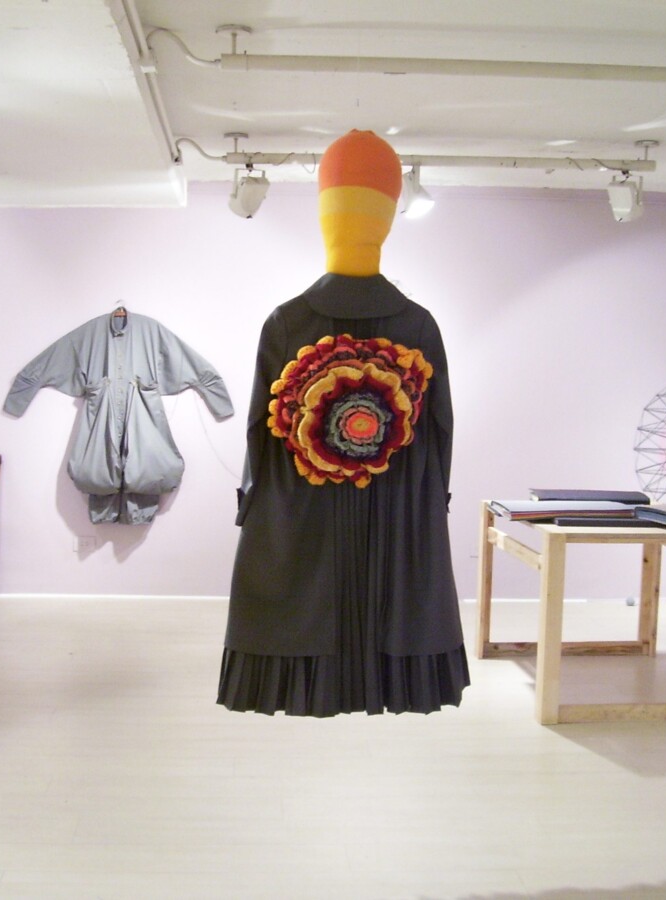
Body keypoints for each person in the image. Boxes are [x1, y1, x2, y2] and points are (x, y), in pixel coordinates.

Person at [218, 130, 469, 716]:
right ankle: (391, 683)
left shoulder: (284, 323)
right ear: (388, 218)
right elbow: (441, 430)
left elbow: (257, 430)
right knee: (393, 596)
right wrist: (431, 500)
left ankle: (309, 685)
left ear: (323, 215)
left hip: (300, 501)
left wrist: (254, 499)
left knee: (303, 595)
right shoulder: (420, 326)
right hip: (399, 502)